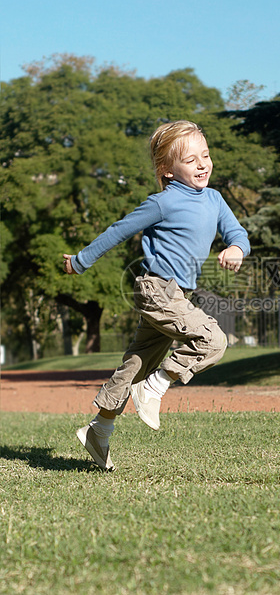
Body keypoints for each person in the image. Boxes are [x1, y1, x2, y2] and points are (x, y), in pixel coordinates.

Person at [63, 120, 250, 471]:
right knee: (214, 340)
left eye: (205, 156)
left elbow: (237, 232)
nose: (202, 164)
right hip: (157, 289)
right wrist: (80, 261)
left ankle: (98, 430)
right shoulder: (162, 203)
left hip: (177, 294)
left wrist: (237, 248)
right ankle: (156, 386)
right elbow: (118, 231)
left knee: (135, 364)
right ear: (167, 170)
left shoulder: (215, 199)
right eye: (191, 160)